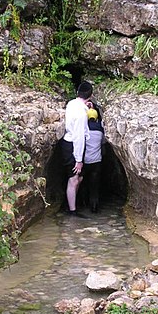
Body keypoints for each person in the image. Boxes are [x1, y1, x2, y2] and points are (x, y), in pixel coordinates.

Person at [60, 81, 92, 214]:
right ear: (90, 96)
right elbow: (79, 137)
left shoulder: (72, 104)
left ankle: (72, 204)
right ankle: (72, 211)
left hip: (68, 142)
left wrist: (87, 107)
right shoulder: (81, 114)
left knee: (79, 178)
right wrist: (78, 160)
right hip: (73, 145)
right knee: (73, 179)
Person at [83, 107, 105, 213]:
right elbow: (103, 144)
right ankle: (94, 206)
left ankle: (82, 203)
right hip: (97, 162)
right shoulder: (100, 130)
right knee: (94, 186)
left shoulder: (84, 129)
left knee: (83, 183)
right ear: (96, 118)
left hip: (85, 161)